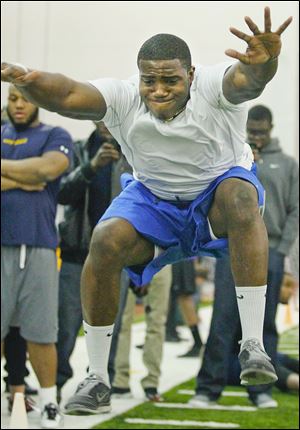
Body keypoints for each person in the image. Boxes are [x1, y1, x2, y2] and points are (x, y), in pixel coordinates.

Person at [1, 7, 293, 415]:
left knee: (240, 194)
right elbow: (67, 94)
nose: (158, 90)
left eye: (170, 80)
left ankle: (253, 346)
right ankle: (98, 377)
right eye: (149, 80)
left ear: (191, 75)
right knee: (105, 239)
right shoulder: (123, 97)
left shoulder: (212, 87)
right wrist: (26, 80)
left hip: (215, 201)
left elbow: (245, 81)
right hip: (154, 202)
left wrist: (266, 64)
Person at [190, 105, 299, 409]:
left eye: (262, 132)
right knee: (222, 321)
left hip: (272, 253)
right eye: (252, 132)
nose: (257, 137)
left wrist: (280, 251)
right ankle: (208, 388)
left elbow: (294, 211)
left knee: (264, 326)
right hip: (232, 250)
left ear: (271, 128)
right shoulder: (232, 160)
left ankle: (261, 390)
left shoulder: (289, 165)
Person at [1, 85, 73, 428]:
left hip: (40, 243)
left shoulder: (55, 134)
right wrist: (23, 180)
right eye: (13, 98)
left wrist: (10, 174)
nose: (18, 104)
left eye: (25, 98)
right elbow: (34, 175)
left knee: (42, 331)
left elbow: (48, 169)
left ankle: (48, 402)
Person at [55, 120, 129, 403]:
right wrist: (91, 167)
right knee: (65, 325)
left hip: (116, 259)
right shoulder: (77, 150)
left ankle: (100, 389)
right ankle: (54, 388)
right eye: (101, 116)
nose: (105, 123)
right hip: (77, 253)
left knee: (111, 328)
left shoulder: (134, 155)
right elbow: (61, 193)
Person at [111, 265, 172, 401]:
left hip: (162, 258)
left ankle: (151, 381)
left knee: (156, 322)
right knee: (122, 321)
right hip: (130, 259)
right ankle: (120, 379)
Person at [166, 259, 204, 357]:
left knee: (184, 299)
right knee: (183, 299)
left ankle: (198, 342)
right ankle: (197, 342)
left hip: (181, 260)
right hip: (183, 259)